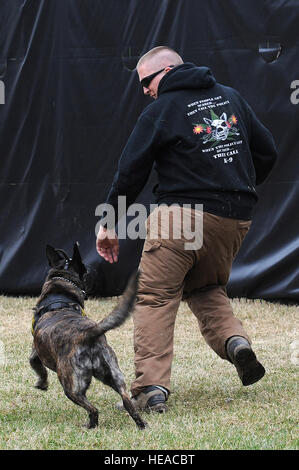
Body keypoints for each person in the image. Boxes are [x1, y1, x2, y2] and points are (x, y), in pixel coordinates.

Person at [96, 46, 277, 413]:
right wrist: (236, 185)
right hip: (234, 218)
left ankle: (149, 391)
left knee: (156, 297)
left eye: (146, 82)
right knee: (206, 287)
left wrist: (109, 222)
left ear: (165, 71)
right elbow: (268, 152)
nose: (145, 90)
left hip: (181, 216)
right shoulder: (231, 98)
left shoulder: (160, 110)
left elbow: (131, 172)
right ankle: (235, 342)